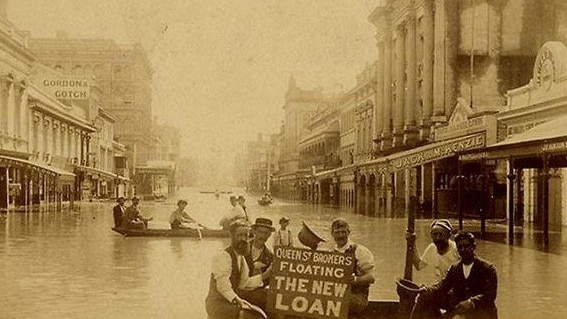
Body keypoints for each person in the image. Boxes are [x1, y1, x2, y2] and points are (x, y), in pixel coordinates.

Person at [414, 231, 498, 319]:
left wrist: (471, 302)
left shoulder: (488, 268)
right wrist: (428, 290)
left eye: (466, 246)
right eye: (460, 247)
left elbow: (490, 295)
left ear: (473, 246)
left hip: (481, 313)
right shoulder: (454, 268)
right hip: (459, 311)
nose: (463, 250)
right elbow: (442, 286)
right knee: (424, 297)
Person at [205, 220, 272, 319]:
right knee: (253, 317)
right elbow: (223, 287)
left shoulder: (241, 258)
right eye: (239, 235)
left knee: (260, 313)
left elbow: (244, 283)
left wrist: (266, 275)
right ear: (232, 237)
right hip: (217, 304)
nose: (244, 239)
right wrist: (238, 301)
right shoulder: (222, 256)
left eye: (246, 235)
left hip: (230, 301)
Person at [331, 218, 375, 317]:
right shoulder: (331, 254)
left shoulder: (359, 251)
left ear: (349, 232)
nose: (340, 235)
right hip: (337, 296)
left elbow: (371, 277)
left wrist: (356, 279)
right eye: (337, 232)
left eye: (343, 232)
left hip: (357, 298)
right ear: (332, 234)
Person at [246, 218, 275, 282]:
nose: (263, 236)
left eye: (266, 233)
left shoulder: (270, 256)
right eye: (260, 232)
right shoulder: (242, 249)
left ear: (269, 235)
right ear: (254, 232)